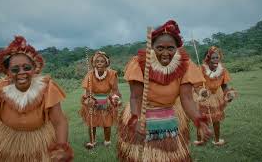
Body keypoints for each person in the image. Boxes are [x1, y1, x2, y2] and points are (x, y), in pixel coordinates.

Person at [117, 20, 212, 162]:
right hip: (141, 113)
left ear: (177, 48)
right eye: (160, 48)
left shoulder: (185, 65)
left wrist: (200, 121)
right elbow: (136, 98)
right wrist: (136, 120)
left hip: (169, 115)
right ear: (152, 47)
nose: (165, 53)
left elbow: (187, 98)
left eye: (170, 48)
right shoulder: (140, 63)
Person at [0, 36, 73, 162]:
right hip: (7, 145)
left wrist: (61, 147)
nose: (21, 72)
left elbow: (59, 122)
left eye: (27, 68)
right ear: (7, 72)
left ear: (34, 68)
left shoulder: (47, 88)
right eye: (15, 69)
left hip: (39, 144)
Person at [194, 46, 236, 146]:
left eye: (217, 57)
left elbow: (224, 86)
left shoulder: (223, 70)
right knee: (202, 118)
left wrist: (228, 94)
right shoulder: (201, 69)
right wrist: (202, 91)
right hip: (204, 96)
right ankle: (200, 139)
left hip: (216, 96)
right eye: (213, 58)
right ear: (207, 59)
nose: (216, 60)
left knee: (216, 119)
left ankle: (217, 140)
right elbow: (196, 85)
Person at [79, 51, 121, 149]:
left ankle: (107, 141)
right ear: (93, 63)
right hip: (93, 101)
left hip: (107, 101)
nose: (99, 63)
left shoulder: (112, 74)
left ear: (107, 63)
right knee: (91, 123)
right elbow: (86, 91)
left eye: (102, 61)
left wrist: (114, 100)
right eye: (97, 61)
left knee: (107, 123)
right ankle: (92, 142)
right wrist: (88, 99)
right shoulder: (90, 74)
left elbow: (115, 90)